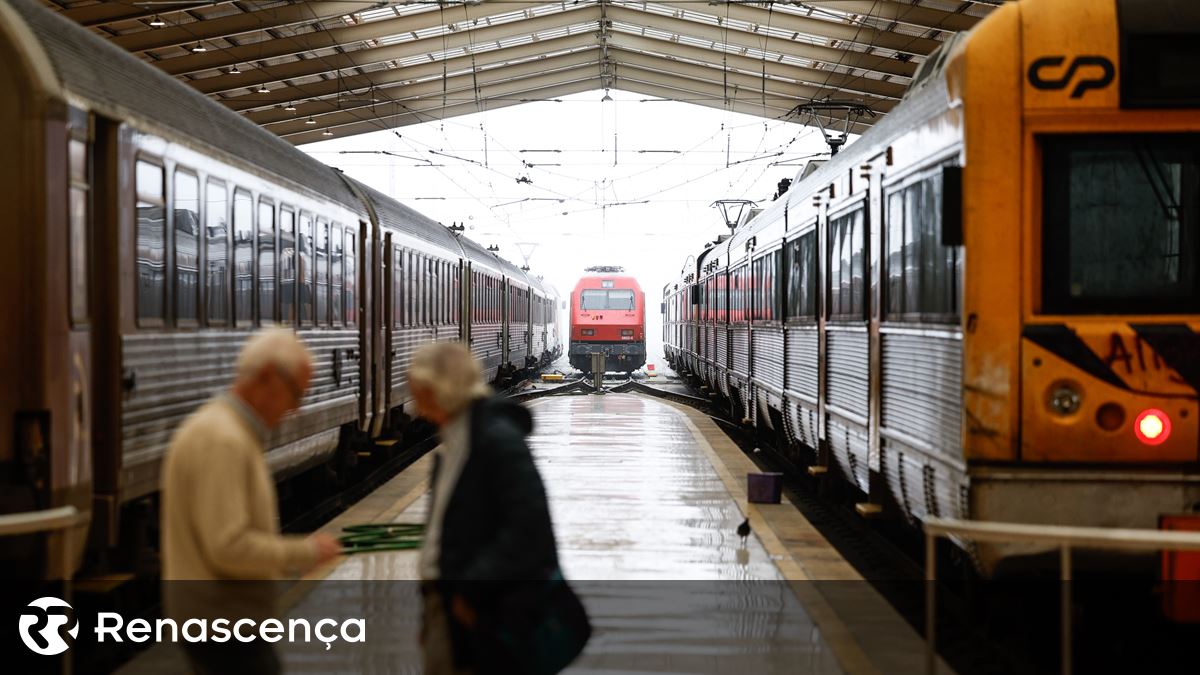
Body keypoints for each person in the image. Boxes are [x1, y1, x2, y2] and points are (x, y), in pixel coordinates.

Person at [160, 328, 341, 674]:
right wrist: (305, 552)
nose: (295, 409)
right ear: (266, 378)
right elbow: (228, 546)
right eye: (295, 394)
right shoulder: (222, 440)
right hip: (222, 624)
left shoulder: (226, 431)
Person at [409, 342, 584, 675]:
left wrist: (470, 592)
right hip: (449, 606)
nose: (414, 403)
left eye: (417, 390)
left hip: (480, 609)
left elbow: (529, 531)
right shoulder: (456, 441)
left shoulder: (496, 441)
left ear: (438, 388)